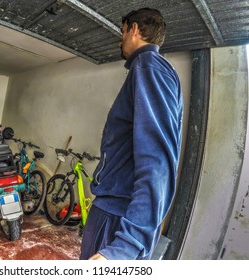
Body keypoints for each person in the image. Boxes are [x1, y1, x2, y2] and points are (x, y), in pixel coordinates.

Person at [80, 7, 183, 260]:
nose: (120, 39)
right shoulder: (149, 69)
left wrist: (127, 245)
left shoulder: (149, 67)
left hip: (117, 216)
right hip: (113, 210)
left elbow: (157, 161)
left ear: (134, 29)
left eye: (123, 31)